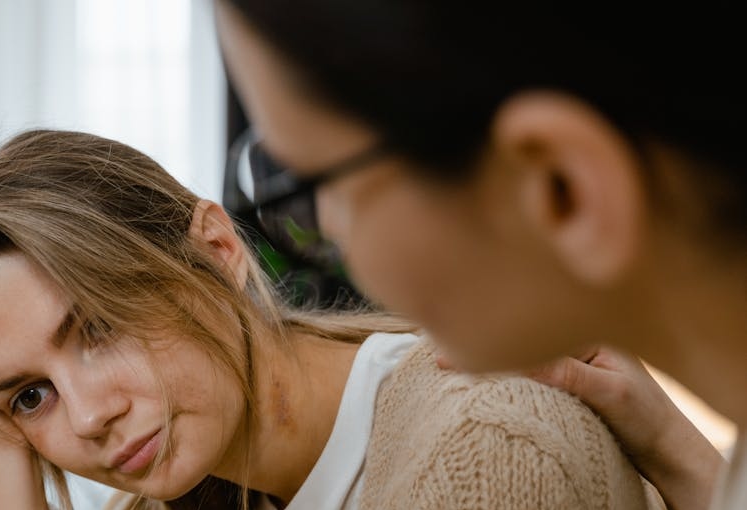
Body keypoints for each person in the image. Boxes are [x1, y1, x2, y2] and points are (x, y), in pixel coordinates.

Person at [0, 129, 660, 510]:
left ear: (216, 250)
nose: (91, 415)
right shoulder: (164, 499)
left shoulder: (481, 452)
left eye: (101, 326)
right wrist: (1, 452)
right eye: (29, 397)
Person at [213, 1, 742, 509]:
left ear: (562, 186)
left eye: (319, 184)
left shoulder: (489, 445)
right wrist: (677, 452)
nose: (325, 227)